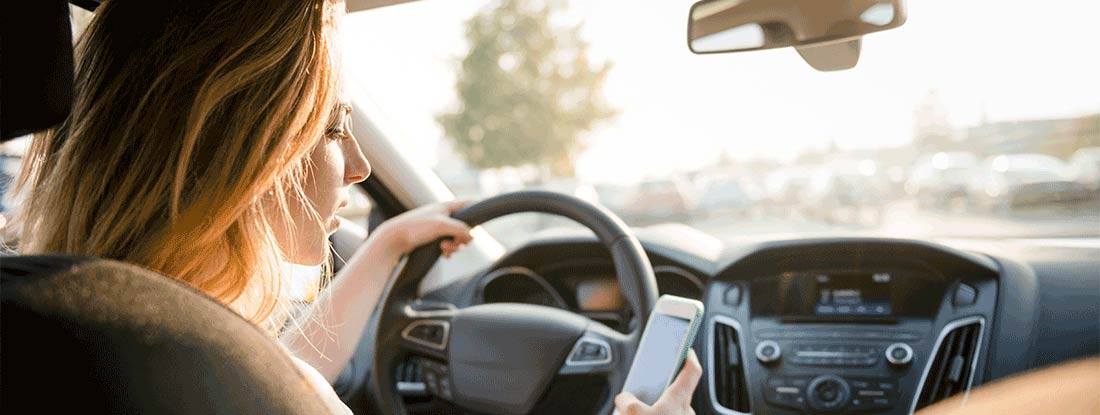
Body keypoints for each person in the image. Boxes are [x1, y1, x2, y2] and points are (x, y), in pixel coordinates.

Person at [10, 0, 699, 413]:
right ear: (245, 152)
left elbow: (264, 367)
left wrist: (381, 250)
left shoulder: (69, 339)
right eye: (336, 127)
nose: (362, 167)